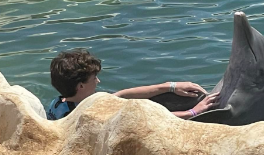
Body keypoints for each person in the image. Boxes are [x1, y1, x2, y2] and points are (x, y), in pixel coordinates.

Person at [46, 48, 220, 120]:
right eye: (94, 78)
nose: (98, 81)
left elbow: (122, 94)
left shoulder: (57, 103)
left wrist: (170, 86)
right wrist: (193, 112)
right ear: (81, 86)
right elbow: (145, 120)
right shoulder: (91, 114)